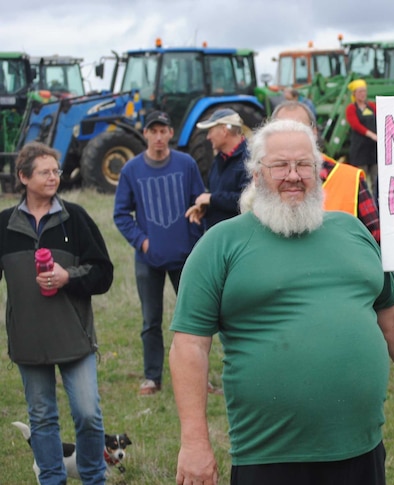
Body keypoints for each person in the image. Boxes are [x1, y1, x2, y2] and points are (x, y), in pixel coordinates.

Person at [168, 119, 394, 485]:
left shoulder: (352, 231)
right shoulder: (221, 244)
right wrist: (195, 441)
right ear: (257, 173)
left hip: (361, 451)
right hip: (268, 457)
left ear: (318, 170)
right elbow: (190, 346)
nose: (293, 175)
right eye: (280, 165)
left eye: (304, 165)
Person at [1, 142, 114, 484]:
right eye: (45, 172)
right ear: (23, 177)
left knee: (88, 415)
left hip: (74, 337)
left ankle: (94, 477)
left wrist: (68, 277)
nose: (54, 177)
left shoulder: (75, 218)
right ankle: (51, 479)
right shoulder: (5, 224)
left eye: (56, 171)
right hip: (29, 339)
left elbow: (103, 273)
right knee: (42, 417)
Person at [113, 111, 206, 396]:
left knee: (194, 319)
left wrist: (194, 239)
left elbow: (199, 203)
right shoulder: (131, 170)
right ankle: (152, 377)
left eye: (163, 130)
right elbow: (121, 214)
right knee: (150, 320)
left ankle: (199, 375)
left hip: (184, 257)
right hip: (149, 259)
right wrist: (142, 242)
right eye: (152, 131)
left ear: (170, 134)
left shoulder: (186, 164)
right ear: (146, 135)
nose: (158, 137)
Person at [272, 100, 380, 241]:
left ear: (314, 133)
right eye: (282, 131)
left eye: (299, 130)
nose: (291, 138)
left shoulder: (350, 180)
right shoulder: (261, 182)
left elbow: (376, 243)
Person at [185, 109, 251, 228]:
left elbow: (247, 200)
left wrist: (211, 199)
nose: (208, 137)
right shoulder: (219, 159)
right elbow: (218, 194)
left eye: (210, 131)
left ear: (224, 131)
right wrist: (205, 208)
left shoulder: (248, 160)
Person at [345, 79, 379, 196]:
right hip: (360, 148)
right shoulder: (351, 109)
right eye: (359, 92)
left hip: (373, 149)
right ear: (354, 94)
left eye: (364, 91)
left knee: (376, 177)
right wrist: (372, 135)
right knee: (362, 180)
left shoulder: (372, 107)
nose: (362, 94)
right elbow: (356, 125)